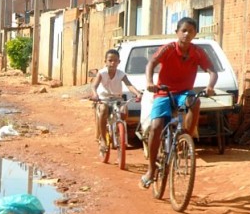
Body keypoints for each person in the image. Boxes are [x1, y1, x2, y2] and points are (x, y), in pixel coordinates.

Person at [139, 16, 217, 189]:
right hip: (163, 91)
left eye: (191, 31)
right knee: (156, 126)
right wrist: (150, 82)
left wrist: (210, 86)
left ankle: (186, 137)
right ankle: (151, 169)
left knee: (194, 102)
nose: (187, 34)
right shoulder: (168, 49)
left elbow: (212, 72)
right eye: (184, 30)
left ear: (195, 34)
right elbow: (151, 63)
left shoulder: (198, 52)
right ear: (177, 32)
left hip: (184, 92)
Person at [90, 48, 142, 150]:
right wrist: (95, 94)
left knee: (123, 111)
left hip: (117, 99)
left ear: (119, 62)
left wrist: (137, 93)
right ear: (105, 62)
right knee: (103, 110)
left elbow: (129, 85)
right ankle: (103, 140)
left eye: (115, 61)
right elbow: (94, 85)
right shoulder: (102, 73)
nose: (112, 63)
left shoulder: (121, 74)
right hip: (104, 99)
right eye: (110, 60)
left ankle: (119, 133)